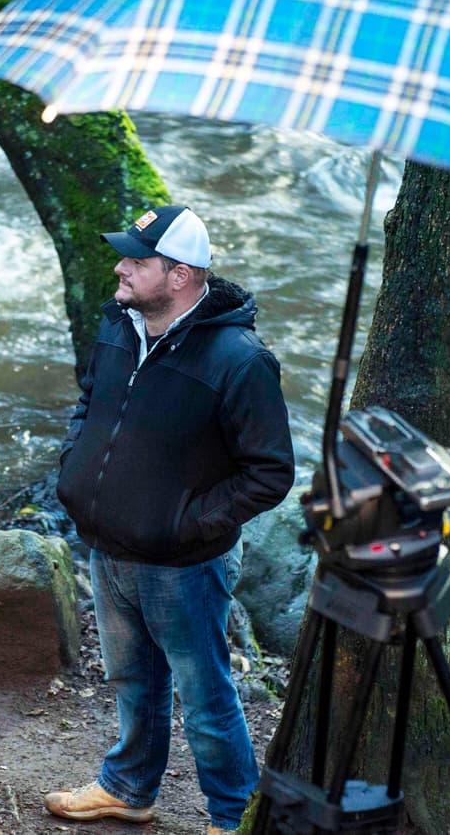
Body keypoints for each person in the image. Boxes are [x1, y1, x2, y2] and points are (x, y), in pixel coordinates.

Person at [49, 205, 295, 834]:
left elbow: (270, 473)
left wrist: (189, 524)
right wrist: (75, 466)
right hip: (108, 545)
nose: (120, 267)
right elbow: (90, 399)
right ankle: (128, 789)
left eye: (137, 260)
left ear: (180, 275)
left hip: (183, 564)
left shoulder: (240, 360)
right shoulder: (119, 324)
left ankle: (232, 816)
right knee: (132, 680)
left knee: (207, 698)